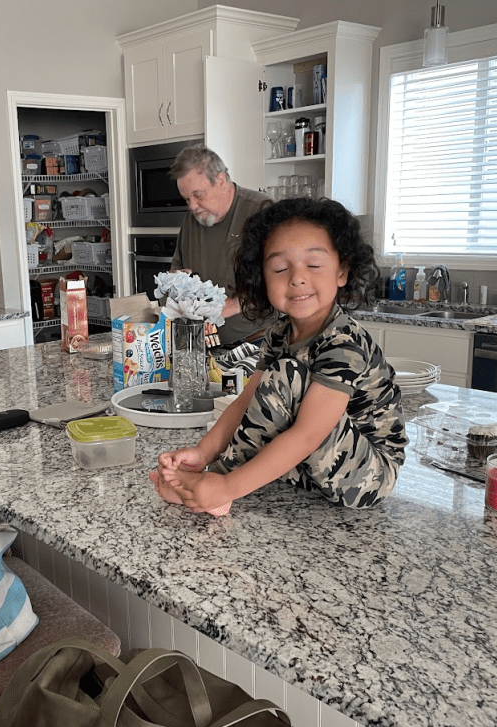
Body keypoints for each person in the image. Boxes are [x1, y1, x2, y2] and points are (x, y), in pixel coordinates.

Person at [152, 197, 406, 512]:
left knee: (287, 375)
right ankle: (210, 482)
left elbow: (310, 434)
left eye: (314, 265)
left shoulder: (343, 341)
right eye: (280, 268)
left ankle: (215, 488)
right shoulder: (279, 332)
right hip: (315, 467)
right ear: (262, 277)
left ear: (342, 271)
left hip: (368, 474)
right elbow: (246, 401)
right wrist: (203, 453)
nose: (297, 277)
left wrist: (225, 484)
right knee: (272, 387)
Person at [170, 145, 272, 346]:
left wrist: (234, 305)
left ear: (221, 180)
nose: (192, 206)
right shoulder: (191, 221)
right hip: (204, 345)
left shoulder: (261, 210)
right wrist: (177, 281)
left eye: (198, 195)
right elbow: (177, 268)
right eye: (187, 199)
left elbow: (283, 280)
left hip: (257, 343)